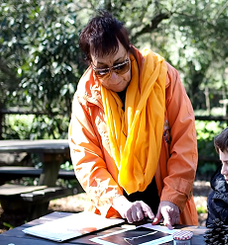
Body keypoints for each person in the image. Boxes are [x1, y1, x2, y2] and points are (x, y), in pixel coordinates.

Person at [68, 10, 198, 229]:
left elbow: (184, 142)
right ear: (90, 63)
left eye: (120, 65)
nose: (115, 77)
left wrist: (172, 198)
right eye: (103, 70)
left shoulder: (164, 78)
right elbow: (86, 159)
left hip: (165, 209)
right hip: (113, 214)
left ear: (129, 51)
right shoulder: (85, 97)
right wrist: (117, 202)